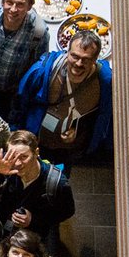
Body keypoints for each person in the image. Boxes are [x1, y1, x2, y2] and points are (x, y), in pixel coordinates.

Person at [12, 30, 113, 167]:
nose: (78, 63)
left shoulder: (104, 82)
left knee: (60, 176)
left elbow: (102, 117)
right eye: (74, 56)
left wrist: (78, 132)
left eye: (86, 59)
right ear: (67, 52)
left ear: (95, 60)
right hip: (37, 138)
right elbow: (20, 101)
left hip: (71, 149)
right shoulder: (42, 72)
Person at [0, 129, 75, 239]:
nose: (17, 163)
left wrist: (33, 220)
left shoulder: (57, 183)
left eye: (23, 157)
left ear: (36, 153)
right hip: (2, 222)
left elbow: (67, 211)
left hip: (37, 231)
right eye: (13, 156)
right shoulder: (5, 166)